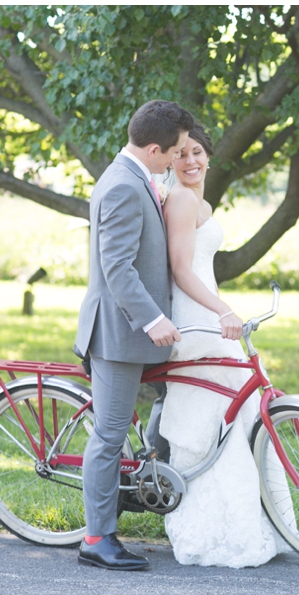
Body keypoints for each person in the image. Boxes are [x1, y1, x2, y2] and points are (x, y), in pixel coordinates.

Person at [155, 123, 290, 568]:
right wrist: (222, 310)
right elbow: (181, 271)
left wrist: (221, 310)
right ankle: (215, 527)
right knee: (213, 422)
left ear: (209, 155)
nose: (191, 161)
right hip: (195, 321)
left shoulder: (200, 200)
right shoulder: (179, 199)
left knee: (240, 416)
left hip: (208, 314)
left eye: (198, 152)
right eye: (181, 154)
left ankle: (255, 521)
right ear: (169, 158)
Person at [73, 100, 196, 571]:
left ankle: (146, 484)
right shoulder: (123, 185)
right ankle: (97, 539)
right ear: (153, 148)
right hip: (119, 333)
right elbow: (117, 268)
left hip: (136, 331)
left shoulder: (139, 176)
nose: (179, 160)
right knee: (107, 436)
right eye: (175, 152)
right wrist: (152, 319)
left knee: (171, 401)